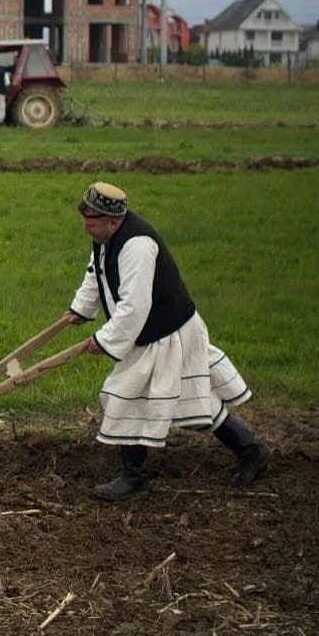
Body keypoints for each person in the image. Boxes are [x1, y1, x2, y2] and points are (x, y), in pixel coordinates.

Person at [69, 181, 270, 501]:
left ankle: (134, 479)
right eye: (85, 223)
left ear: (113, 221)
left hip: (165, 331)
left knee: (125, 394)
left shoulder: (137, 246)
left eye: (91, 225)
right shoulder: (105, 237)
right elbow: (98, 273)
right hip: (154, 330)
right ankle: (251, 449)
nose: (86, 230)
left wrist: (102, 340)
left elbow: (136, 305)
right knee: (194, 396)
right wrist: (80, 309)